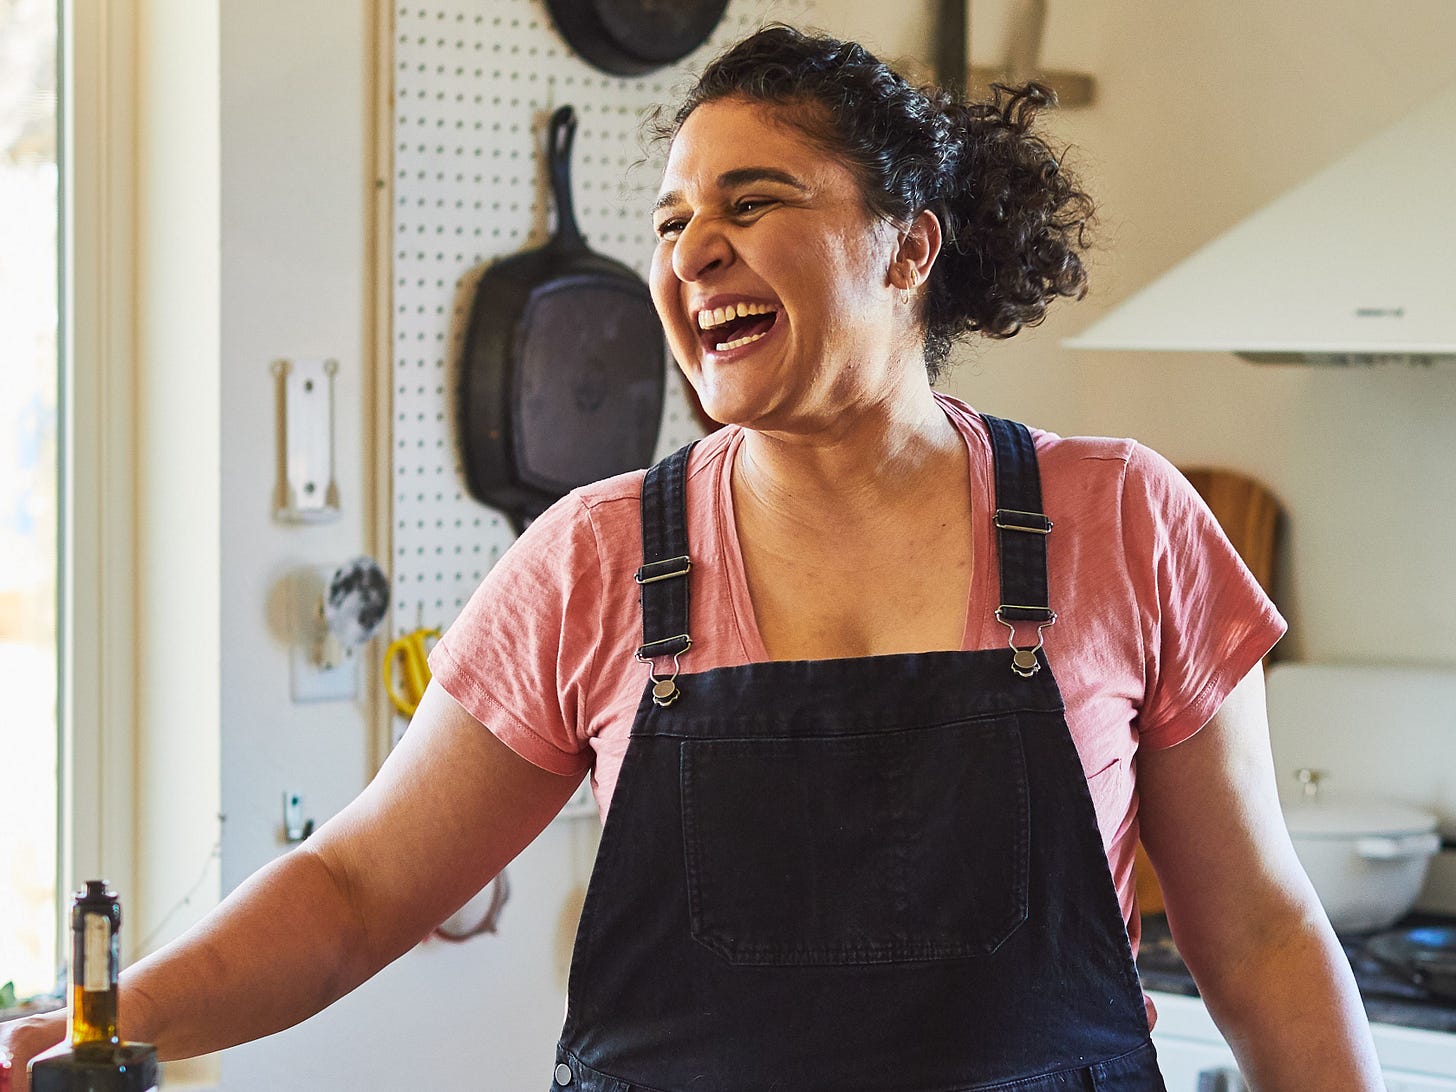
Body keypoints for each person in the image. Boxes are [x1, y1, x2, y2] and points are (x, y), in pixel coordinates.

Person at [2, 23, 1384, 1092]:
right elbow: (354, 893)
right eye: (669, 221)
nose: (692, 251)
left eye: (751, 201)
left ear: (909, 249)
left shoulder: (1120, 522)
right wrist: (91, 1027)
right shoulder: (593, 562)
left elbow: (1257, 939)